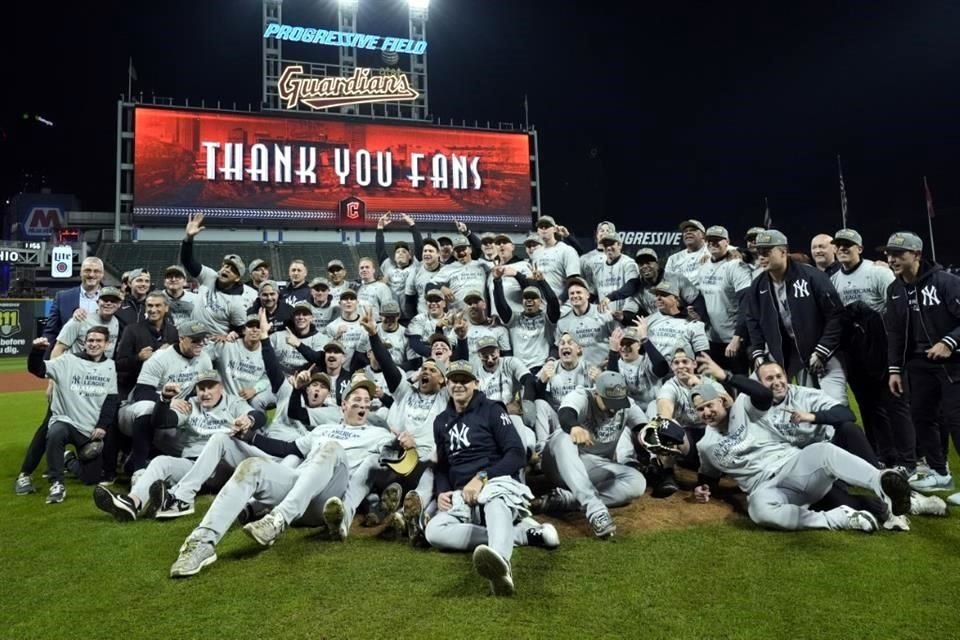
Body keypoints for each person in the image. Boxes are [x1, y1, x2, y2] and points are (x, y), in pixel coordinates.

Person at [168, 375, 391, 578]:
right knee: (252, 466)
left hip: (328, 500)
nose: (363, 403)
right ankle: (202, 542)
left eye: (367, 401)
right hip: (298, 489)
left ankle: (277, 519)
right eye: (357, 399)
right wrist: (249, 436)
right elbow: (287, 449)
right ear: (343, 405)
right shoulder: (322, 430)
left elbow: (395, 463)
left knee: (332, 448)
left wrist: (404, 446)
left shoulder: (379, 434)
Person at [687, 365, 912, 533]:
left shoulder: (743, 408)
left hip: (795, 467)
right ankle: (838, 518)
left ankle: (882, 483)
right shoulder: (705, 445)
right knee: (757, 509)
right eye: (700, 410)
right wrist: (702, 488)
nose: (706, 412)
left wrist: (725, 375)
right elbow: (708, 477)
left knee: (823, 451)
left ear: (722, 401)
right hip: (769, 488)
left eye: (709, 405)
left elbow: (763, 395)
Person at [425, 361, 559, 597]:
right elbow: (443, 465)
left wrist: (483, 477)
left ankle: (502, 567)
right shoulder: (441, 421)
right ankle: (520, 534)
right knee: (433, 531)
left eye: (464, 380)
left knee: (495, 503)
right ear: (447, 384)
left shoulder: (492, 410)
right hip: (462, 494)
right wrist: (442, 491)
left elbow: (516, 453)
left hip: (494, 482)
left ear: (476, 384)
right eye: (454, 380)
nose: (458, 385)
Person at [92, 370, 265, 521]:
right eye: (201, 388)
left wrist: (249, 419)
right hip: (193, 465)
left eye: (210, 387)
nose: (205, 393)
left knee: (219, 438)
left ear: (221, 387)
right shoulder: (191, 405)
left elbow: (258, 415)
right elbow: (162, 421)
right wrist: (164, 400)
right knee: (161, 462)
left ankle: (178, 498)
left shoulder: (232, 403)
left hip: (222, 468)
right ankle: (132, 503)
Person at [830, 228, 915, 472]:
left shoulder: (877, 273)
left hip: (883, 348)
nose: (843, 249)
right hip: (856, 352)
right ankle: (881, 455)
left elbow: (897, 311)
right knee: (868, 406)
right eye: (840, 245)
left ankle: (907, 461)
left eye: (849, 245)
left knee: (895, 405)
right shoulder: (836, 279)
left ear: (860, 248)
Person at [883, 231, 960, 493]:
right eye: (889, 254)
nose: (892, 259)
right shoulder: (894, 290)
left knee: (956, 418)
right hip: (917, 364)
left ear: (916, 254)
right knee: (922, 418)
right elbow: (893, 333)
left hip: (953, 363)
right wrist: (894, 370)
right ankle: (940, 473)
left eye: (898, 254)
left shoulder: (946, 282)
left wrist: (949, 341)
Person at [536, 371, 647, 538]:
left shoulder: (627, 406)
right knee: (564, 437)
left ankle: (568, 500)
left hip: (591, 467)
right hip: (559, 463)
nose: (613, 408)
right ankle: (595, 510)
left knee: (637, 482)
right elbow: (566, 412)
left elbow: (643, 429)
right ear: (596, 393)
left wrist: (652, 439)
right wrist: (574, 426)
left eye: (617, 402)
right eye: (609, 402)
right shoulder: (582, 396)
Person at [745, 230, 847, 403]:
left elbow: (836, 316)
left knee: (835, 403)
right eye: (759, 252)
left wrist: (823, 349)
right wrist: (758, 351)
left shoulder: (812, 276)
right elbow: (752, 319)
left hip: (826, 350)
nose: (761, 256)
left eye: (767, 251)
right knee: (762, 399)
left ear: (783, 252)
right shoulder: (758, 284)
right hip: (787, 352)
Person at [20, 330, 119, 503]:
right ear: (84, 342)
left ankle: (69, 460)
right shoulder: (68, 361)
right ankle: (57, 483)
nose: (93, 344)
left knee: (91, 478)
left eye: (98, 341)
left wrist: (102, 426)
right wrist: (37, 351)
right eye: (90, 340)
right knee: (56, 431)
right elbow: (38, 369)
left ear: (106, 344)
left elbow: (111, 400)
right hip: (66, 421)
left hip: (89, 430)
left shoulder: (110, 366)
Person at [118, 320, 215, 476]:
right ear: (182, 338)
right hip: (134, 411)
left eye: (203, 339)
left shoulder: (204, 359)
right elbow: (142, 392)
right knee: (148, 408)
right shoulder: (160, 358)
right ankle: (138, 470)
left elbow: (201, 389)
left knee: (182, 444)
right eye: (195, 340)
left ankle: (141, 460)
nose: (201, 343)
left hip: (170, 411)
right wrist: (166, 400)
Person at [696, 225, 753, 374]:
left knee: (741, 385)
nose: (712, 244)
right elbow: (703, 297)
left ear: (727, 242)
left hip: (733, 339)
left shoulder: (737, 266)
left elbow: (746, 304)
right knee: (720, 383)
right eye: (709, 240)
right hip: (712, 338)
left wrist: (737, 338)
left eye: (717, 240)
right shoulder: (703, 266)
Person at [180, 213, 248, 334]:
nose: (226, 269)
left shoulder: (236, 302)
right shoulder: (210, 276)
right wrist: (188, 238)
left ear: (237, 278)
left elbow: (241, 329)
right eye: (225, 266)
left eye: (232, 269)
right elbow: (188, 261)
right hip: (194, 337)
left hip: (216, 346)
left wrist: (230, 336)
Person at [492, 270, 559, 372]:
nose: (529, 300)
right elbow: (501, 305)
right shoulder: (514, 318)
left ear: (541, 301)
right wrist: (497, 281)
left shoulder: (548, 317)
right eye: (526, 297)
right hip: (520, 370)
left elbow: (553, 301)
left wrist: (542, 282)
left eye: (533, 297)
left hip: (543, 367)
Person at [42, 256, 105, 346]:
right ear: (80, 273)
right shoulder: (63, 297)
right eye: (87, 270)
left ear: (102, 274)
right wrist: (45, 346)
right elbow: (51, 331)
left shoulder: (111, 300)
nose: (91, 275)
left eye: (96, 271)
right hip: (69, 355)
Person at [556, 277, 617, 368]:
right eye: (572, 293)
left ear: (588, 295)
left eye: (579, 292)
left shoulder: (603, 314)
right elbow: (558, 346)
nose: (575, 295)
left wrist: (613, 359)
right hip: (579, 372)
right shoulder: (563, 321)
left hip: (604, 368)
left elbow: (618, 339)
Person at [50, 286, 123, 359]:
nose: (109, 303)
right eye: (105, 300)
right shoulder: (80, 319)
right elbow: (59, 347)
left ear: (119, 304)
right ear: (97, 302)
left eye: (113, 301)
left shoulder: (117, 322)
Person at [376, 212, 422, 309]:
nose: (400, 253)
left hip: (410, 313)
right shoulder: (388, 267)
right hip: (391, 312)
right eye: (398, 252)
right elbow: (380, 250)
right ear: (394, 257)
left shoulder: (415, 267)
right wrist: (380, 228)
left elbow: (419, 247)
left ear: (410, 256)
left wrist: (412, 226)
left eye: (404, 252)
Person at [531, 216, 582, 296]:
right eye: (541, 227)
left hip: (561, 302)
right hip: (542, 303)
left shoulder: (567, 250)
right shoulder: (536, 253)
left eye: (547, 226)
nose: (544, 229)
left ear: (554, 229)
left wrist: (561, 299)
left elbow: (573, 279)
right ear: (538, 231)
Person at [664, 220, 709, 286]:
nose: (688, 232)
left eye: (693, 230)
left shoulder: (713, 251)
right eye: (685, 231)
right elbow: (667, 283)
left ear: (703, 235)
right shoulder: (673, 259)